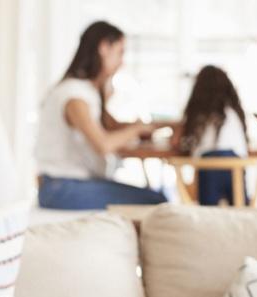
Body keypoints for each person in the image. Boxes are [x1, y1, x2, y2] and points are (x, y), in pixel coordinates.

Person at [35, 21, 167, 210]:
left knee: (156, 198)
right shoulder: (74, 96)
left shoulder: (85, 91)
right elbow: (103, 144)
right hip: (62, 188)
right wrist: (137, 129)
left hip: (69, 185)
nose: (122, 62)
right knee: (156, 202)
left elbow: (110, 126)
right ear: (104, 48)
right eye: (120, 52)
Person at [174, 65, 249, 206]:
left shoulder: (199, 117)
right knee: (240, 211)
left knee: (208, 215)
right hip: (236, 167)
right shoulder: (233, 112)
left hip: (208, 167)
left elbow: (183, 144)